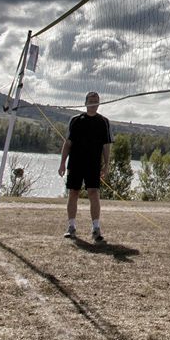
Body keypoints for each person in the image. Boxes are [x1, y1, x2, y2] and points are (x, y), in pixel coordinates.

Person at [58, 91, 112, 243]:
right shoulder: (76, 120)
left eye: (96, 100)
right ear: (86, 103)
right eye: (91, 100)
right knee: (73, 193)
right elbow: (68, 143)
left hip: (93, 165)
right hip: (76, 163)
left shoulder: (104, 122)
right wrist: (62, 163)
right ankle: (71, 227)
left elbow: (106, 146)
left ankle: (96, 228)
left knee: (93, 193)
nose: (94, 103)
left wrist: (106, 165)